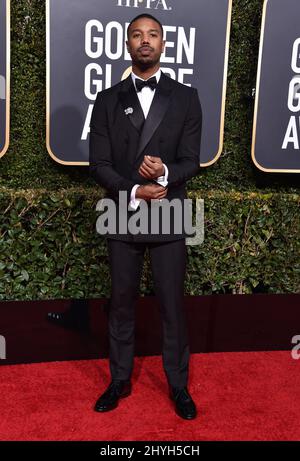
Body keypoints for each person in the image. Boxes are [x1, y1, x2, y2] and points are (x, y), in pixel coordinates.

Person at [89, 13, 202, 420]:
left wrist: (165, 175)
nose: (145, 41)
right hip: (122, 208)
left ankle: (178, 384)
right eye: (137, 35)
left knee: (172, 303)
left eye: (152, 34)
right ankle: (119, 379)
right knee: (121, 302)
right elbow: (98, 164)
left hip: (169, 209)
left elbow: (193, 159)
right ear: (127, 44)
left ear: (164, 43)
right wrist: (136, 188)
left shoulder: (186, 96)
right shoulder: (106, 99)